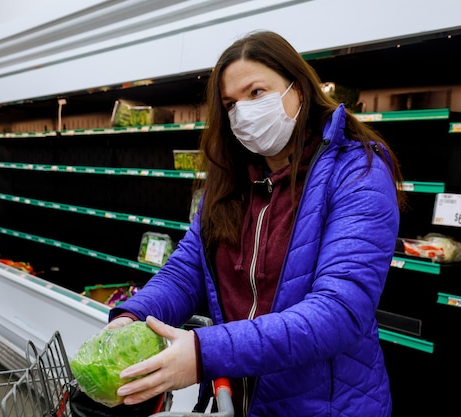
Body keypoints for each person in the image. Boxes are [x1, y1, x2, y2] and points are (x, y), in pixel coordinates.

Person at [105, 30, 405, 417]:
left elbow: (339, 311)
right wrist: (132, 317)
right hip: (238, 398)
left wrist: (203, 353)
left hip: (323, 405)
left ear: (298, 88)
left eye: (257, 93)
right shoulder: (230, 179)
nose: (243, 112)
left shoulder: (358, 171)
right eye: (230, 104)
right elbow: (187, 270)